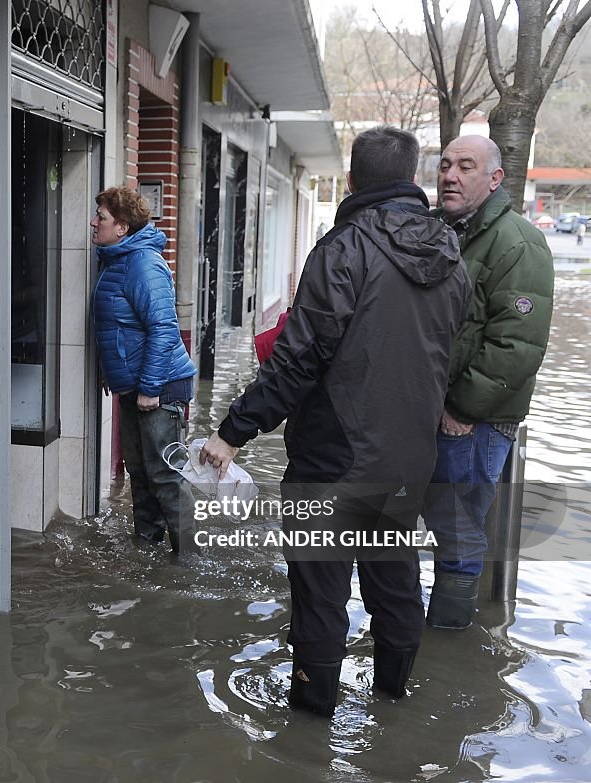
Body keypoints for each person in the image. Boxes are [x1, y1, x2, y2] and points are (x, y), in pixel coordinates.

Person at [199, 126, 472, 716]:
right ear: (413, 177)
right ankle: (394, 707)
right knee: (393, 584)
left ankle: (308, 734)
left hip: (334, 460)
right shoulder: (451, 258)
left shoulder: (342, 249)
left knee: (321, 597)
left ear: (351, 180)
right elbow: (448, 357)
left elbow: (298, 361)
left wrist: (233, 431)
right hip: (406, 462)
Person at [422, 136, 554, 629]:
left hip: (471, 422)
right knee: (431, 529)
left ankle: (448, 650)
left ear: (495, 178)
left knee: (457, 537)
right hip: (438, 411)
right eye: (445, 165)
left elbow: (517, 344)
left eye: (465, 166)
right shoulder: (450, 232)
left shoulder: (517, 241)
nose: (450, 175)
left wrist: (461, 409)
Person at [91, 186, 198, 554]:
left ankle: (191, 563)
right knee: (141, 475)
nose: (94, 223)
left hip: (161, 387)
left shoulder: (142, 263)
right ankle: (147, 553)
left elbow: (164, 329)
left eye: (101, 217)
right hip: (136, 387)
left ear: (121, 227)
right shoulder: (116, 259)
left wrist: (151, 388)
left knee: (166, 477)